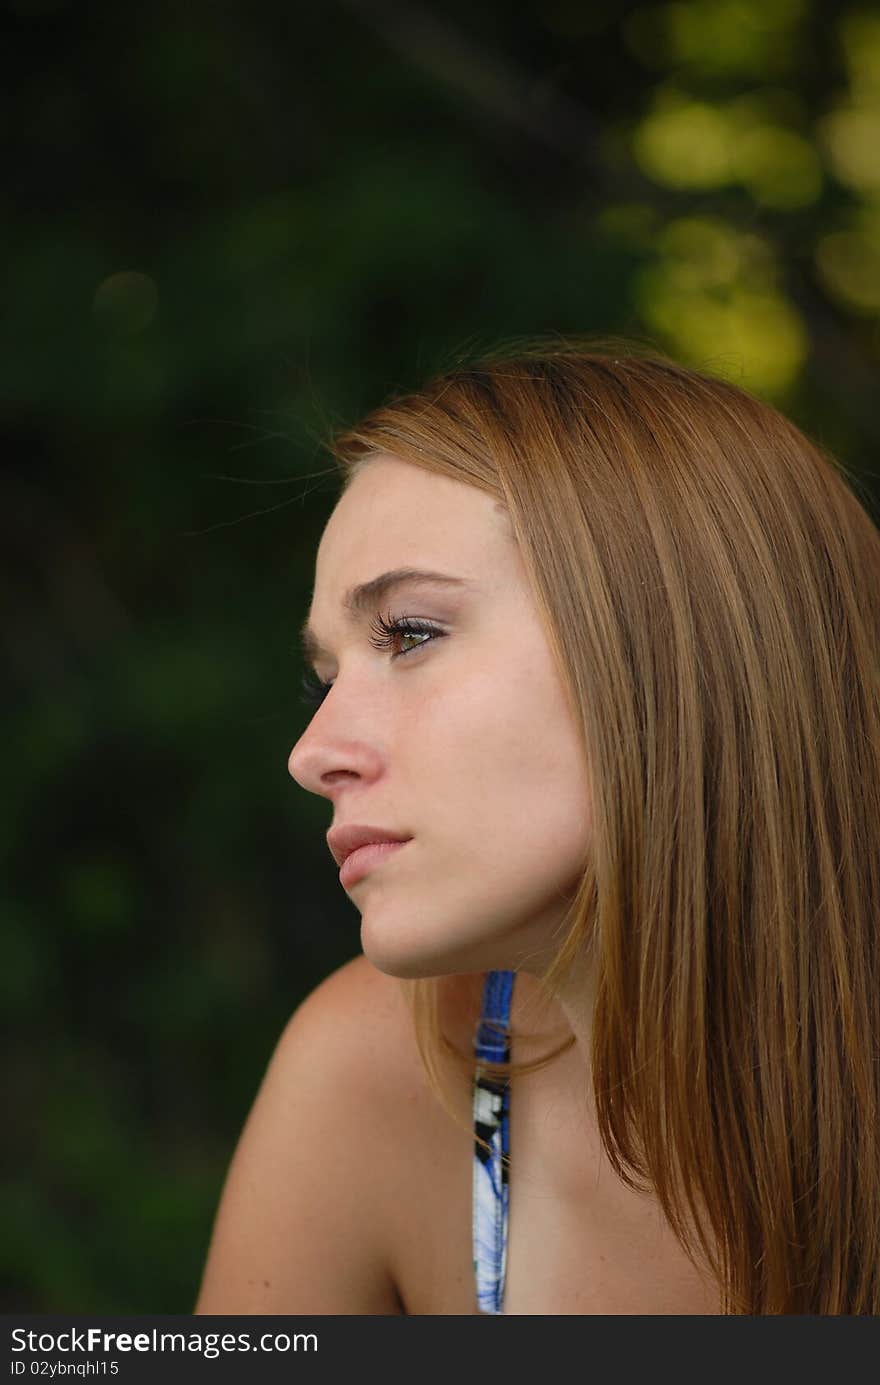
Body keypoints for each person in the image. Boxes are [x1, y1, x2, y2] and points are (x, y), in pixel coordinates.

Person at [194, 340, 880, 1315]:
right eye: (325, 675)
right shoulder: (375, 1074)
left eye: (409, 633)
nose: (314, 751)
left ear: (672, 639)